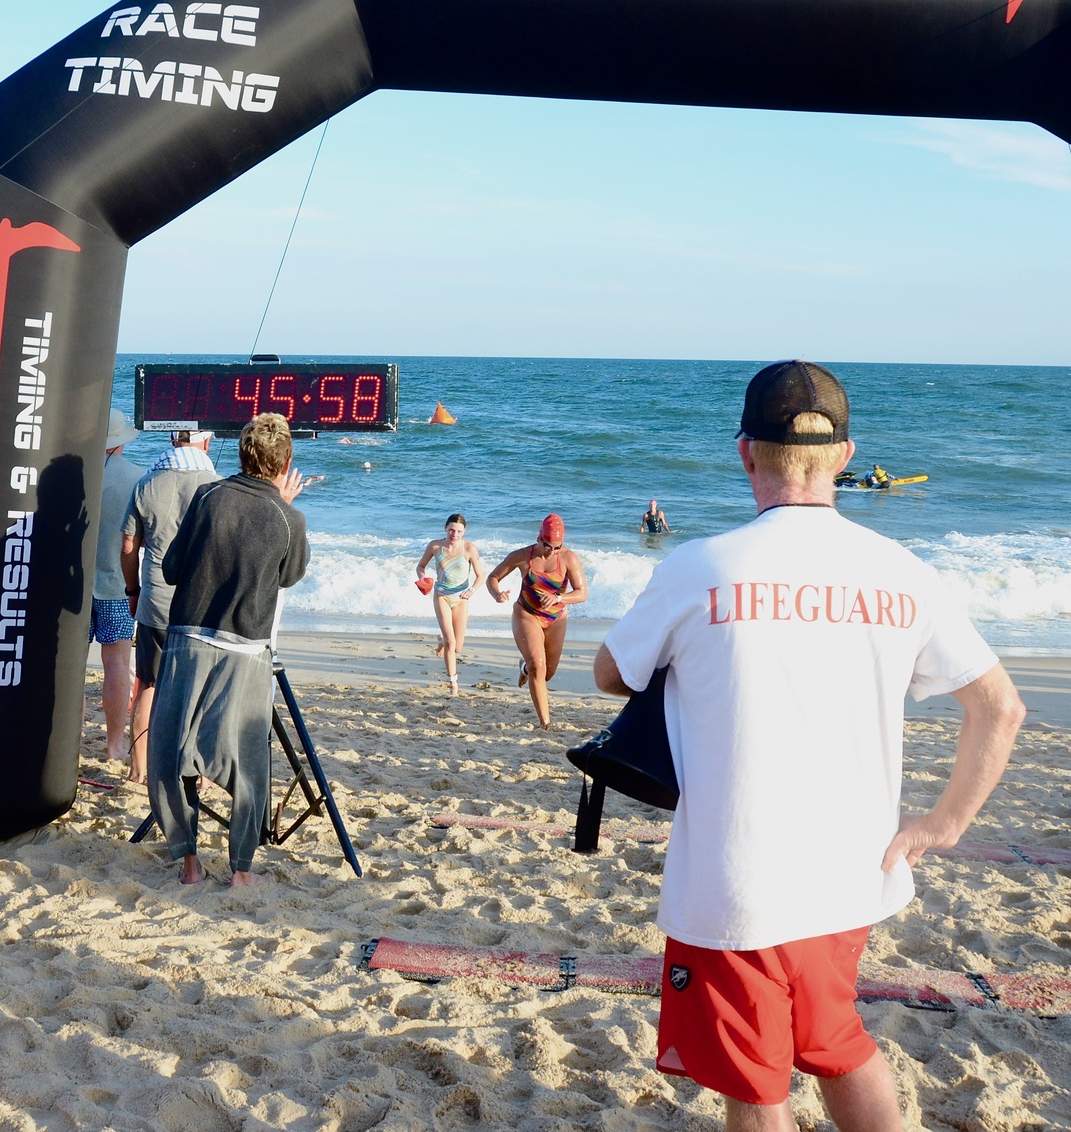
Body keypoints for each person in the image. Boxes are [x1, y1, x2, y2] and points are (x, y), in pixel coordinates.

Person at [592, 360, 1025, 1131]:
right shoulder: (903, 573)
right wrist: (945, 823)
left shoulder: (700, 567)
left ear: (745, 452)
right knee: (838, 1044)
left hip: (737, 879)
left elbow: (610, 674)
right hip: (853, 872)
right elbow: (1000, 708)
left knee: (757, 1088)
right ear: (845, 458)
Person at [148, 413, 308, 887]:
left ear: (241, 453)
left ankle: (188, 861)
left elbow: (173, 568)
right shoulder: (288, 516)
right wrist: (282, 505)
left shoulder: (208, 496)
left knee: (172, 749)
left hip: (189, 638)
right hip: (246, 649)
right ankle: (240, 870)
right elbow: (288, 577)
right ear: (286, 461)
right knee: (248, 760)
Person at [120, 428, 220, 784]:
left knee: (147, 684)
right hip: (202, 605)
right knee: (202, 689)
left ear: (173, 440)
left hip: (156, 602)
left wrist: (133, 590)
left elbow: (129, 545)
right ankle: (201, 773)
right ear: (206, 443)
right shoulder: (218, 485)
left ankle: (139, 769)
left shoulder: (147, 484)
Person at [487, 513, 588, 728]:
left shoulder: (569, 558)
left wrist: (558, 597)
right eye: (548, 546)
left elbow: (582, 593)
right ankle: (545, 723)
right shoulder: (523, 556)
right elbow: (493, 577)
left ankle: (524, 668)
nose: (552, 551)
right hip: (527, 613)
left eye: (557, 547)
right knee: (538, 666)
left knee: (548, 674)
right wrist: (497, 594)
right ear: (539, 538)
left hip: (556, 618)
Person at [89, 408, 143, 764]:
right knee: (118, 665)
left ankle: (61, 744)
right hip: (116, 585)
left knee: (68, 667)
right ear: (120, 442)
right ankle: (113, 747)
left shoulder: (71, 471)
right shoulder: (137, 478)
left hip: (72, 587)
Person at [414, 513, 485, 696]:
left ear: (464, 531)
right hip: (441, 597)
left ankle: (441, 641)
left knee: (457, 647)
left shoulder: (469, 548)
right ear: (445, 528)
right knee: (451, 642)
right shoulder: (435, 546)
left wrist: (473, 590)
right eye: (452, 530)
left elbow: (480, 576)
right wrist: (423, 577)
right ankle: (453, 684)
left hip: (461, 599)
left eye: (459, 531)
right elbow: (420, 566)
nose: (455, 534)